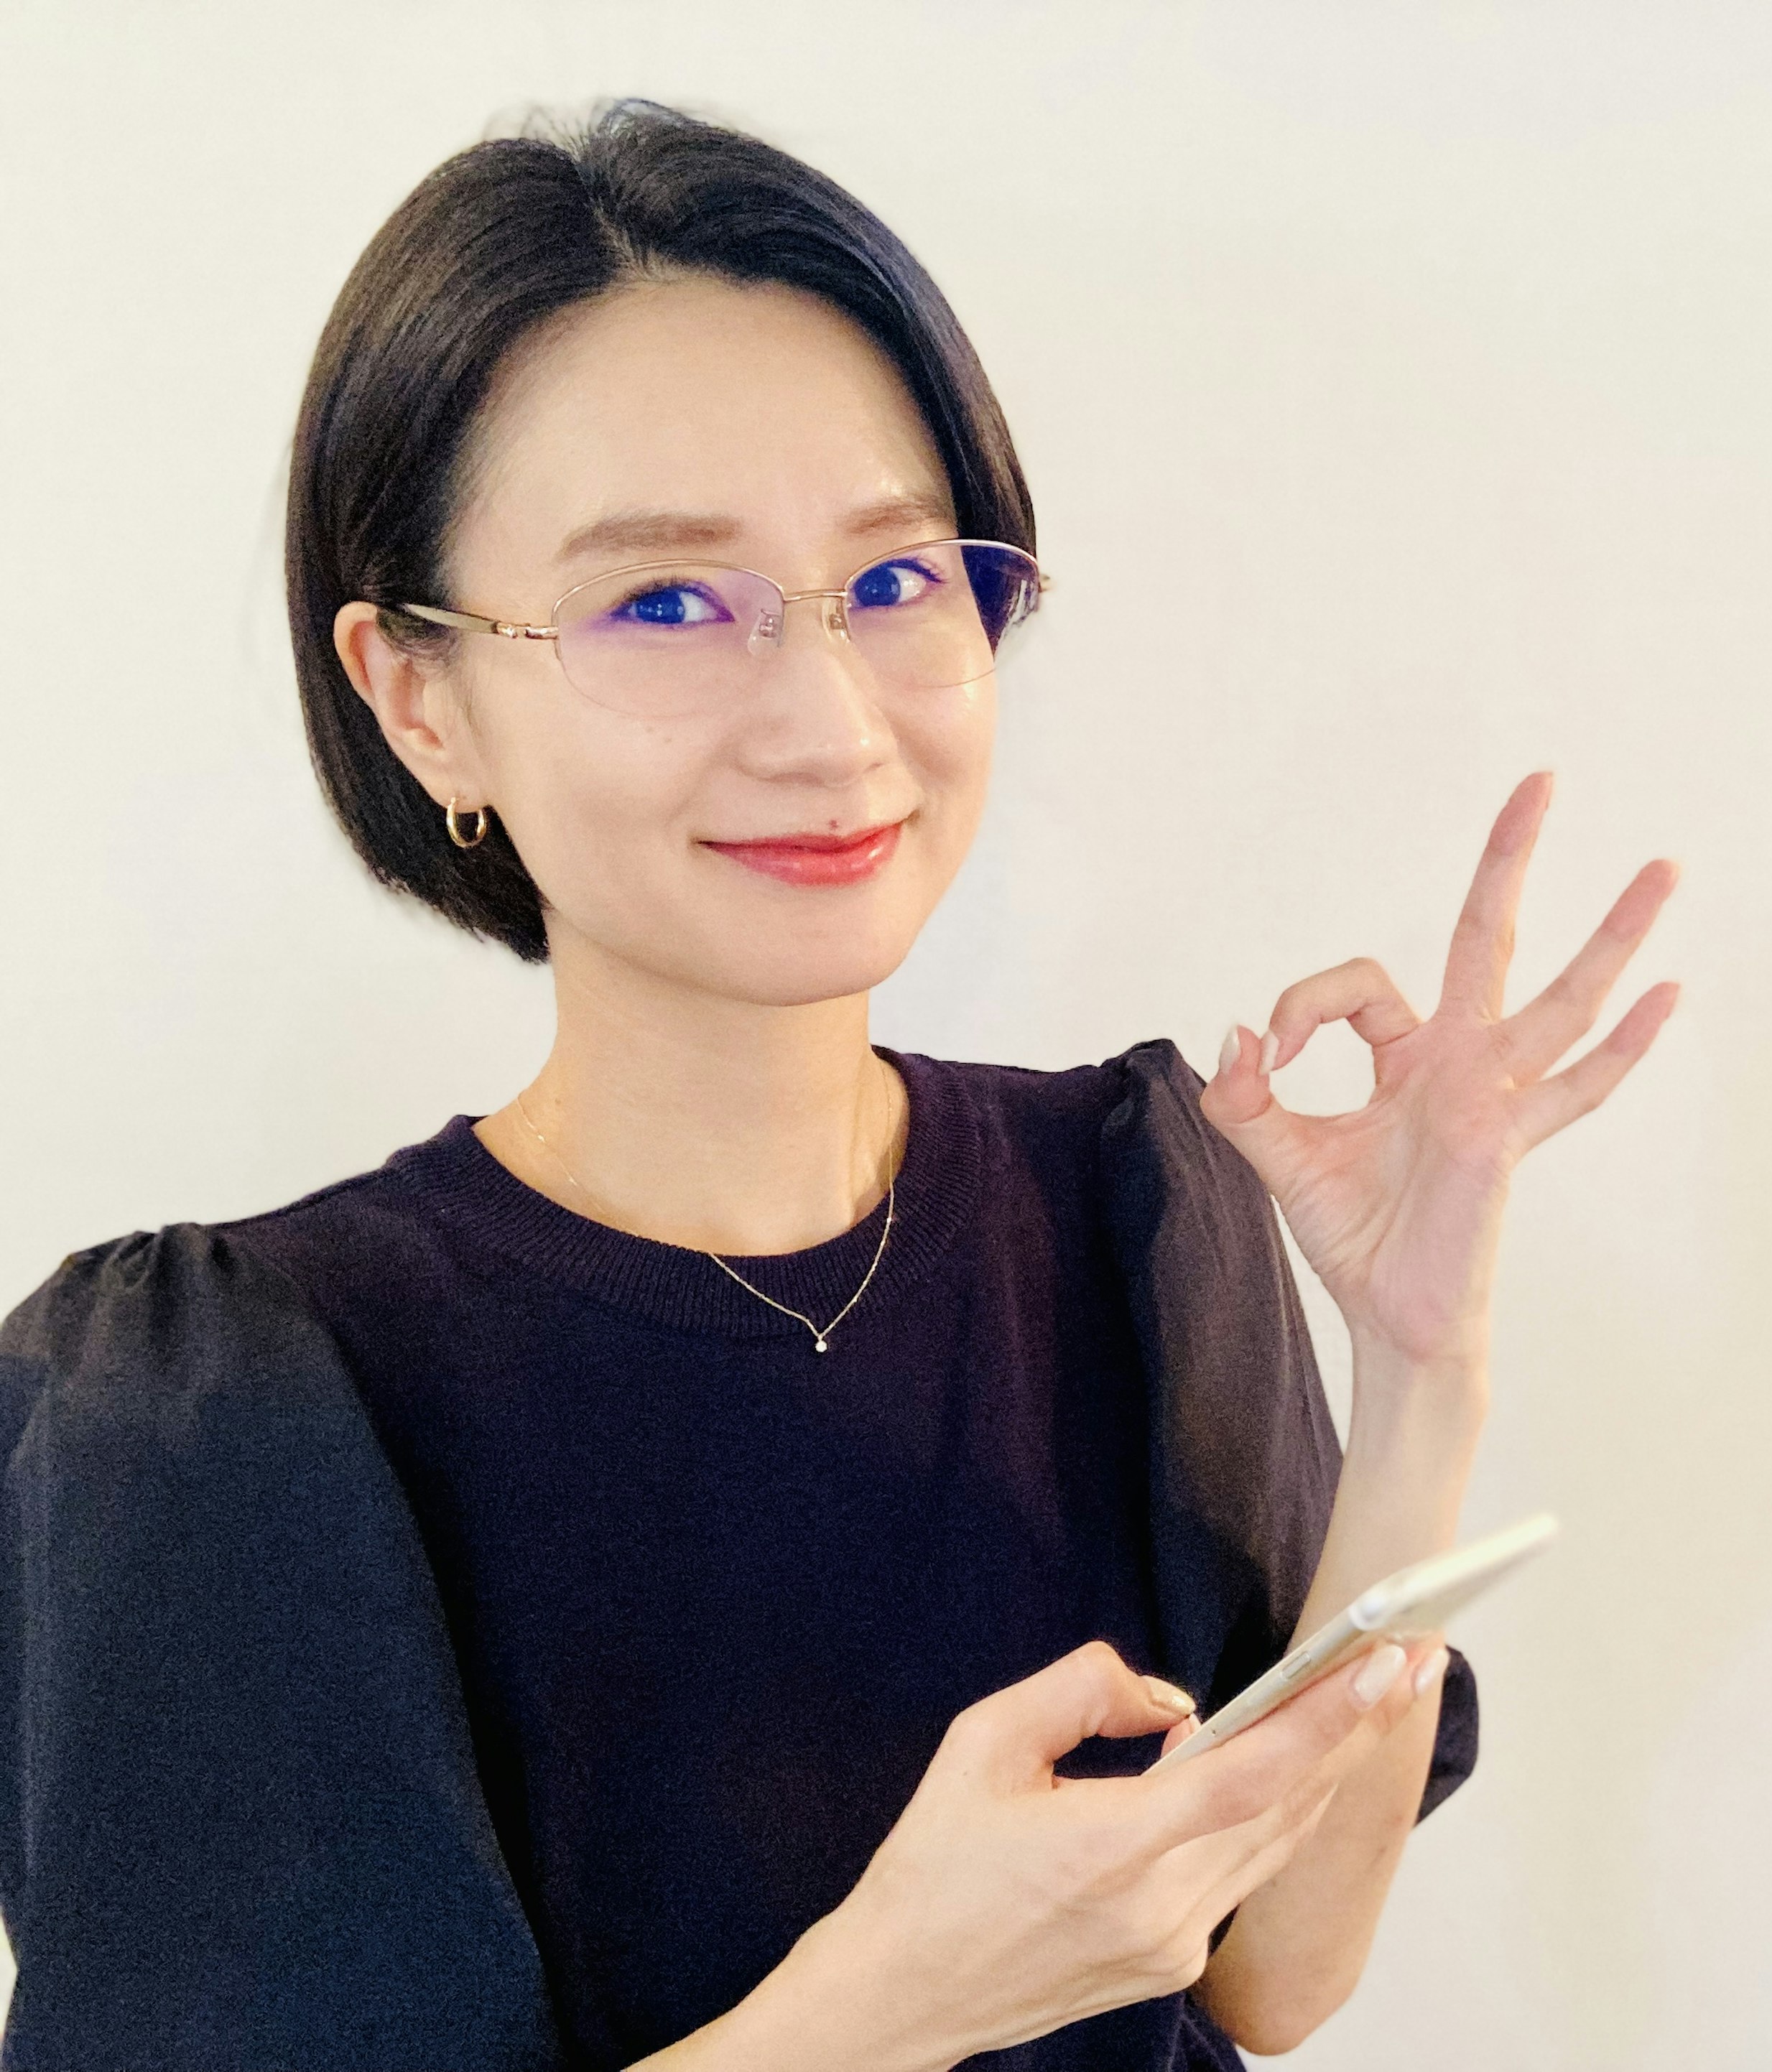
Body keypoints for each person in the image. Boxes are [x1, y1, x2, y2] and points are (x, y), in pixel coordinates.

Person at [0, 100, 1679, 2071]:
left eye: (896, 583)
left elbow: (1268, 1976)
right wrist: (885, 2005)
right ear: (416, 693)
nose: (826, 718)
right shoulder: (218, 1418)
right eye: (661, 605)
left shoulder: (1132, 1203)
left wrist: (1422, 1374)